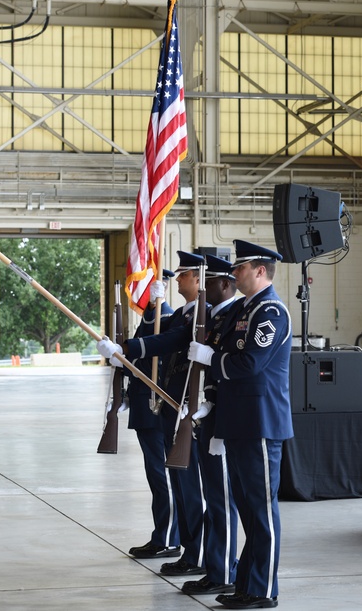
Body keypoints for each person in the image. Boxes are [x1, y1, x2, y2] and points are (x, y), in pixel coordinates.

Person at [188, 240, 293, 610]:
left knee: (262, 510)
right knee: (248, 509)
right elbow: (235, 359)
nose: (234, 274)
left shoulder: (271, 312)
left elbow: (248, 364)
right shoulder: (245, 311)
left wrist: (213, 358)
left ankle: (264, 590)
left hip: (261, 422)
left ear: (260, 271)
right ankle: (248, 583)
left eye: (241, 268)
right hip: (238, 421)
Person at [100, 252, 209, 578]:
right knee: (163, 478)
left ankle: (172, 539)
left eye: (182, 274)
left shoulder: (171, 314)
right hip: (153, 405)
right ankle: (171, 539)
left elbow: (159, 348)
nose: (175, 280)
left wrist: (128, 351)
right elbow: (154, 343)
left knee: (172, 481)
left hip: (164, 405)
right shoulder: (162, 315)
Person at [180, 253, 242, 597]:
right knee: (213, 498)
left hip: (220, 417)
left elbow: (233, 369)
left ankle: (224, 572)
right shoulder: (214, 318)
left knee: (222, 501)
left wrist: (213, 407)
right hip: (207, 415)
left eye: (208, 282)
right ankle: (214, 567)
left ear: (224, 284)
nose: (201, 288)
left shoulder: (232, 316)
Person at [123, 269, 179, 560]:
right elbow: (134, 358)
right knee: (155, 475)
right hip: (143, 405)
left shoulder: (167, 319)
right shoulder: (148, 319)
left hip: (156, 406)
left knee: (162, 475)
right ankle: (163, 533)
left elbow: (157, 355)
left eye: (146, 286)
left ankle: (168, 538)